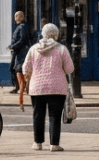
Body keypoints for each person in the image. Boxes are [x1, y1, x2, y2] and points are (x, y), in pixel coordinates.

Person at [23, 22, 73, 151]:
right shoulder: (62, 49)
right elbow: (70, 69)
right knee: (54, 116)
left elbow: (25, 68)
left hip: (37, 87)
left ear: (43, 34)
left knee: (38, 115)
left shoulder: (34, 49)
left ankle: (37, 143)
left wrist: (29, 74)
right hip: (57, 87)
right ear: (55, 35)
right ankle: (54, 144)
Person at [9, 12, 33, 108]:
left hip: (20, 53)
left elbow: (22, 40)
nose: (15, 18)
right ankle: (19, 87)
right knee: (13, 69)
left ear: (21, 17)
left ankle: (20, 88)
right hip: (18, 52)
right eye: (15, 16)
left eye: (16, 16)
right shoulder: (21, 26)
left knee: (14, 69)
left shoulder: (22, 26)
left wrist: (13, 46)